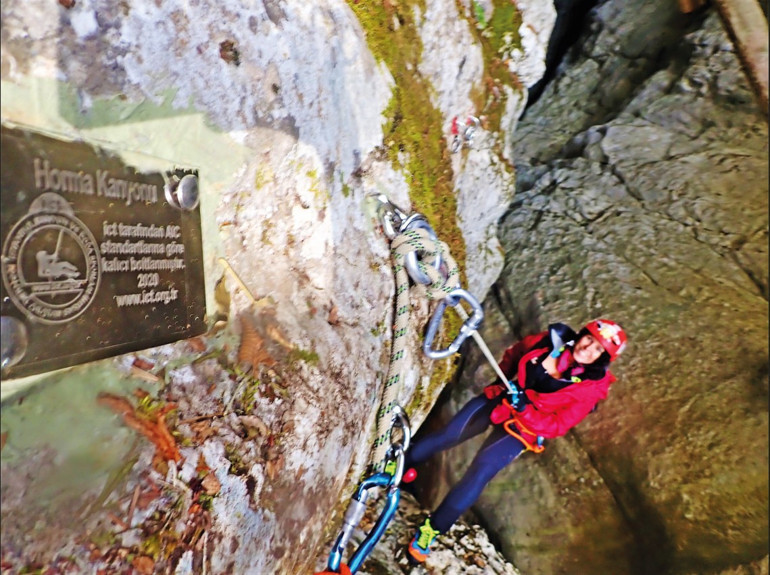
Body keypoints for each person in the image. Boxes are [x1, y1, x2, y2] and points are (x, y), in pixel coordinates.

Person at [405, 318, 627, 564]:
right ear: (582, 334)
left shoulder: (588, 391)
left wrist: (524, 410)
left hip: (523, 428)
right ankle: (399, 464)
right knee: (450, 434)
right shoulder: (549, 342)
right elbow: (515, 353)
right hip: (503, 396)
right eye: (589, 339)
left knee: (479, 472)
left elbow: (556, 425)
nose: (588, 348)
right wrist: (502, 384)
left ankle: (431, 530)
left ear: (602, 360)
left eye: (598, 349)